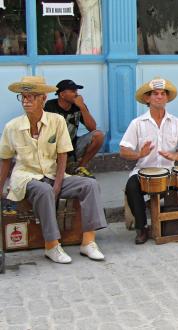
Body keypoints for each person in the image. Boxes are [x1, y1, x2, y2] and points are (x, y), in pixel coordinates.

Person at [0, 76, 108, 263]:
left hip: (54, 174)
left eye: (31, 96)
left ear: (43, 98)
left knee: (90, 185)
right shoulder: (12, 127)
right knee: (43, 190)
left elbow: (63, 155)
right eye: (23, 97)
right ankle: (51, 245)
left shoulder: (57, 121)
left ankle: (88, 242)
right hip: (27, 178)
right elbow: (5, 160)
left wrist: (58, 185)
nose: (26, 101)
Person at [120, 78, 178, 244]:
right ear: (147, 98)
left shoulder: (176, 122)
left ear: (167, 98)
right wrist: (139, 154)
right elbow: (123, 151)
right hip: (144, 171)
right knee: (131, 186)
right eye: (155, 94)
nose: (159, 97)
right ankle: (141, 228)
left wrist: (175, 156)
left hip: (170, 173)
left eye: (162, 94)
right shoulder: (137, 123)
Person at [44, 80, 105, 178]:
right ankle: (59, 169)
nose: (76, 94)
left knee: (98, 135)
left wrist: (82, 107)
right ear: (62, 94)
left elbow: (92, 128)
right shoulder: (50, 106)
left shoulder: (78, 106)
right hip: (54, 148)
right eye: (73, 91)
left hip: (72, 145)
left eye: (76, 91)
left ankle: (80, 168)